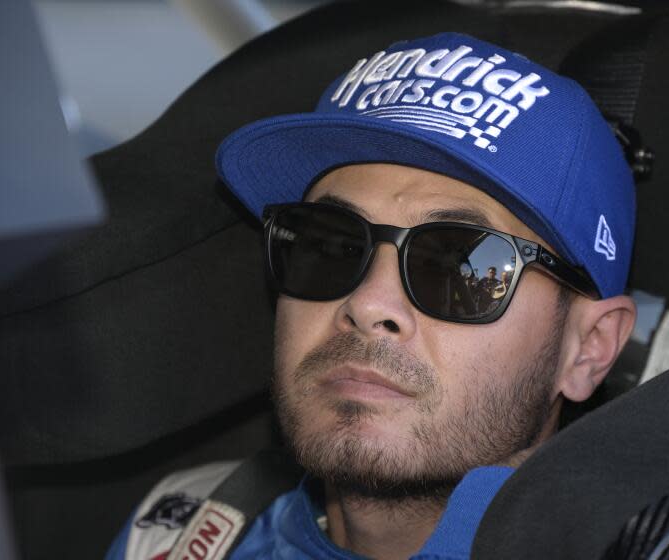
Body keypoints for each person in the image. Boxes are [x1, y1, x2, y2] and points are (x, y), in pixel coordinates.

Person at [107, 32, 636, 560]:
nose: (368, 305)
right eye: (331, 246)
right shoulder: (180, 531)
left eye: (458, 266)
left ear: (589, 348)